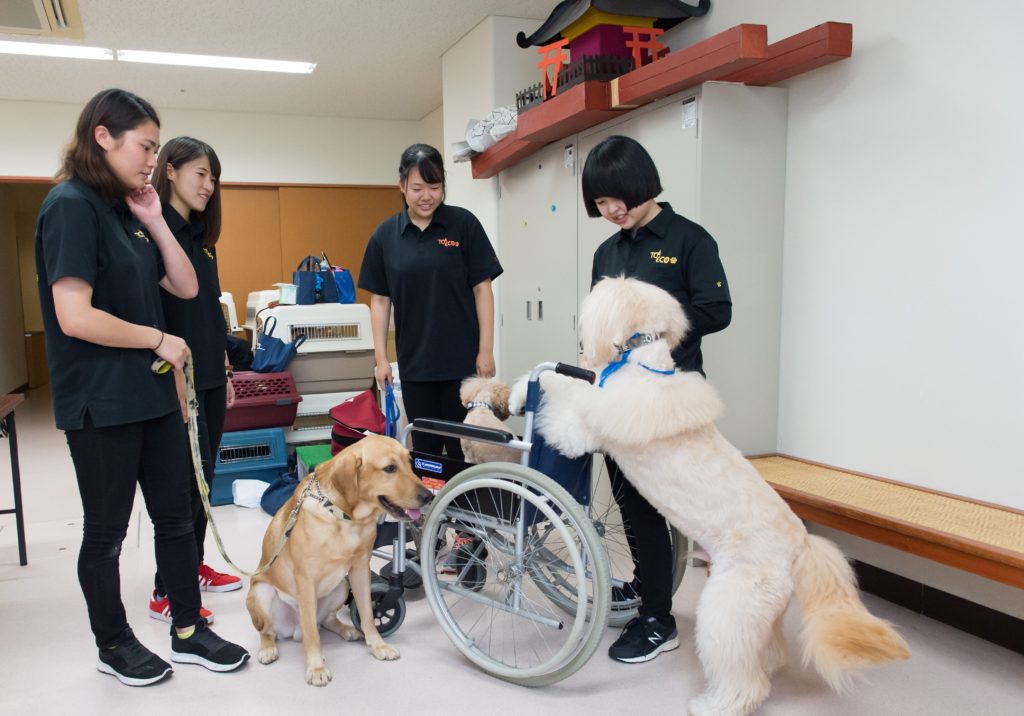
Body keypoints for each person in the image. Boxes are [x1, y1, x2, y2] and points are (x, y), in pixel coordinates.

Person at [35, 88, 249, 687]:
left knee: (175, 518)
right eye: (145, 146)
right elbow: (74, 315)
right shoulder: (70, 206)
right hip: (100, 401)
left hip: (152, 395)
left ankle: (187, 629)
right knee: (105, 533)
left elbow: (184, 285)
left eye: (156, 149)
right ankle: (113, 643)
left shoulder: (126, 213)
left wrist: (154, 218)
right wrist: (158, 340)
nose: (151, 160)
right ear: (103, 135)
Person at [582, 135, 732, 663]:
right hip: (620, 398)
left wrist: (655, 332)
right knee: (629, 500)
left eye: (618, 198)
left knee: (656, 503)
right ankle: (650, 591)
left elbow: (718, 310)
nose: (612, 211)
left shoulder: (688, 239)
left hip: (668, 398)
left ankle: (658, 620)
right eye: (600, 205)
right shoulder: (606, 251)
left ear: (643, 183)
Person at [147, 136, 241, 627]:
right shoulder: (155, 232)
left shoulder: (203, 241)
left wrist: (223, 367)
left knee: (205, 480)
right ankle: (167, 589)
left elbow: (208, 311)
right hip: (175, 381)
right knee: (182, 487)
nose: (208, 185)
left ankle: (191, 567)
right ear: (170, 171)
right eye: (200, 174)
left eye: (213, 177)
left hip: (207, 376)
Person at [358, 143, 503, 459]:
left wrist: (486, 350)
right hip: (416, 366)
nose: (427, 196)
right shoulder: (385, 237)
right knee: (424, 449)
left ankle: (462, 509)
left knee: (464, 448)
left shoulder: (464, 225)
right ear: (402, 186)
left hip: (463, 363)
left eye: (435, 187)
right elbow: (380, 301)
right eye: (418, 188)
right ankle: (431, 510)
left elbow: (483, 289)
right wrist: (381, 359)